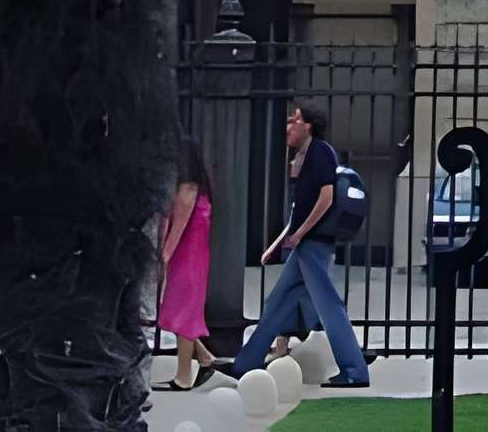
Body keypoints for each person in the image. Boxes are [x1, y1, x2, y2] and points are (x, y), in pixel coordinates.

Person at [235, 103, 369, 388]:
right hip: (307, 242)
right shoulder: (306, 155)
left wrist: (300, 234)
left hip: (314, 243)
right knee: (277, 302)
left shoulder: (320, 152)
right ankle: (246, 363)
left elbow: (326, 198)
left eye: (293, 120)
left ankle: (355, 371)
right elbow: (300, 209)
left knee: (329, 306)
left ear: (307, 125)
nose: (288, 127)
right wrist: (280, 242)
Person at [155, 140, 227, 390]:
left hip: (187, 255)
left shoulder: (186, 187)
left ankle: (184, 376)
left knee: (183, 312)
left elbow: (179, 220)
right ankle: (204, 356)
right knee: (178, 309)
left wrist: (164, 254)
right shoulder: (199, 187)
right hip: (191, 255)